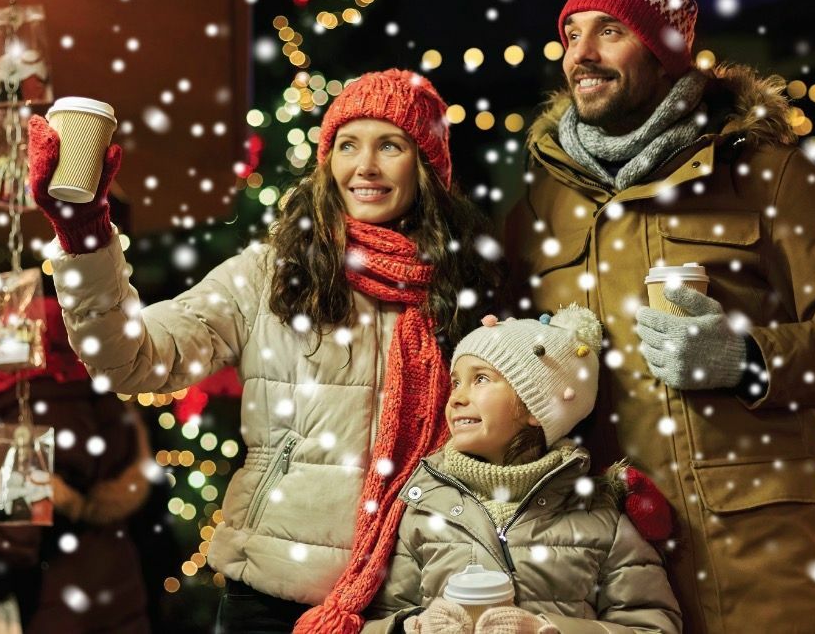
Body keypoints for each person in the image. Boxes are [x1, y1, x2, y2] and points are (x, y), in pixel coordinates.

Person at [500, 0, 815, 633]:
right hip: (602, 582)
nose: (583, 54)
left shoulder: (765, 173)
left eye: (611, 32)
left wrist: (745, 360)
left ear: (665, 52)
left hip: (754, 572)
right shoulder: (541, 202)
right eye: (572, 34)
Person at [26, 69, 500, 633]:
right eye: (348, 145)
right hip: (270, 600)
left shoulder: (460, 288)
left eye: (390, 146)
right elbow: (131, 358)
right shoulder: (272, 273)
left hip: (410, 603)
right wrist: (84, 236)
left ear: (425, 167)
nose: (364, 167)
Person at [363, 306, 681, 634]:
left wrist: (548, 630)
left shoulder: (599, 516)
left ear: (535, 407)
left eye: (480, 379)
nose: (456, 397)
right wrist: (411, 627)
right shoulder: (424, 507)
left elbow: (654, 627)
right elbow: (379, 617)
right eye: (456, 382)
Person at [0, 297, 152, 634]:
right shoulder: (105, 399)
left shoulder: (26, 411)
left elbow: (13, 538)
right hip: (118, 586)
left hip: (55, 602)